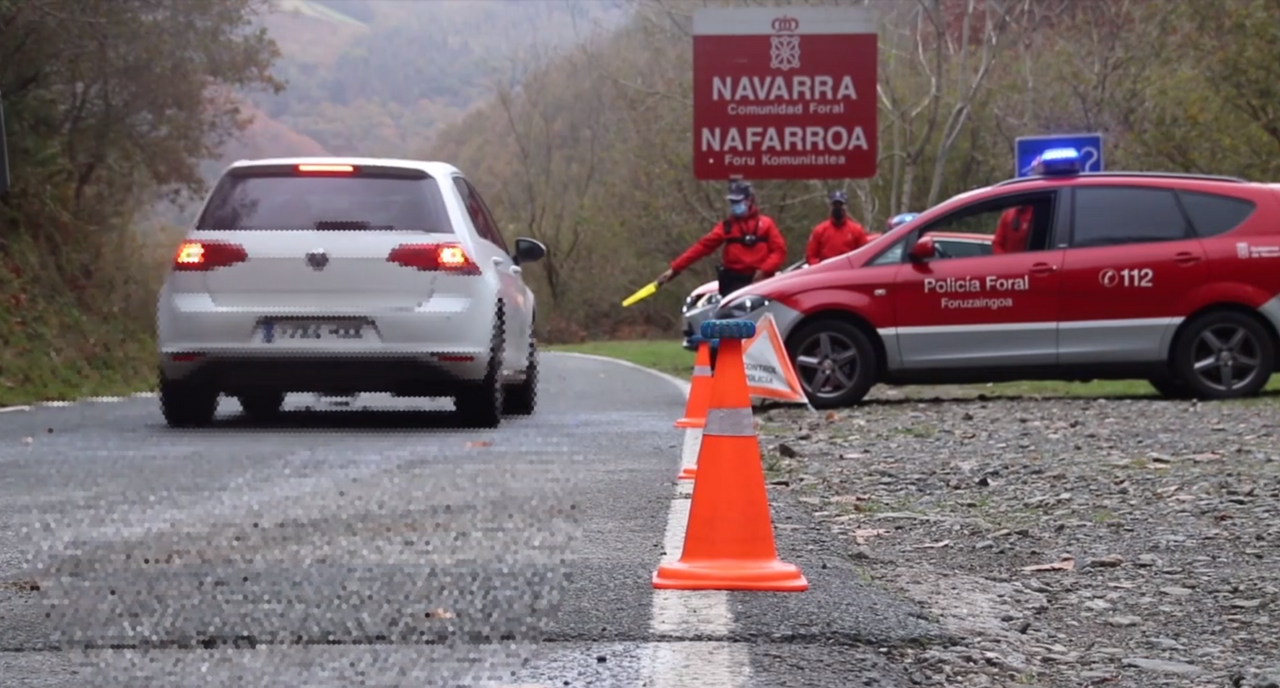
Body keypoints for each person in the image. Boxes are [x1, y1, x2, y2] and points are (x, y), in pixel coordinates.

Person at [655, 181, 786, 297]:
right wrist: (675, 269)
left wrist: (764, 270)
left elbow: (779, 251)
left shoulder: (766, 224)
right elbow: (701, 248)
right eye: (732, 202)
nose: (734, 205)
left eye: (737, 201)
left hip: (762, 283)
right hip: (733, 283)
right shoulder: (726, 227)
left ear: (749, 201)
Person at [805, 190, 870, 265]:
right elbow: (811, 256)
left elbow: (864, 254)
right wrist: (818, 268)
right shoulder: (819, 230)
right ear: (831, 207)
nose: (838, 207)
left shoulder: (856, 230)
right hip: (825, 271)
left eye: (840, 205)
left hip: (848, 271)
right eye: (835, 205)